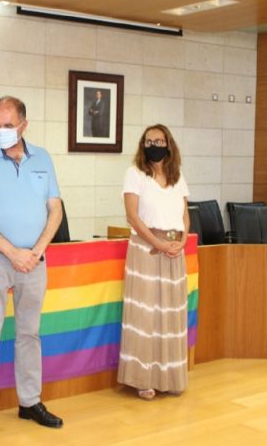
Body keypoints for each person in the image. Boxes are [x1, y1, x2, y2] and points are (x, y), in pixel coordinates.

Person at [0, 96, 64, 443]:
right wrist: (12, 252)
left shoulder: (43, 158)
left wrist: (36, 251)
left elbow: (55, 210)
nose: (1, 131)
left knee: (29, 334)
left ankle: (30, 402)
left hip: (34, 262)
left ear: (23, 125)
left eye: (8, 125)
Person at [117, 123, 190, 401]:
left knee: (170, 315)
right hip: (147, 248)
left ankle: (169, 378)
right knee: (145, 315)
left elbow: (185, 214)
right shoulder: (134, 173)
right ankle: (142, 379)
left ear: (168, 144)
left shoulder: (177, 176)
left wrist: (182, 241)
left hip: (174, 250)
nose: (154, 146)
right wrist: (158, 244)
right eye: (149, 141)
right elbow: (132, 217)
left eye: (159, 141)